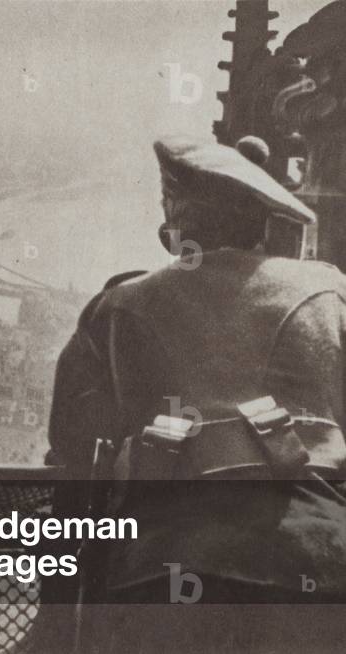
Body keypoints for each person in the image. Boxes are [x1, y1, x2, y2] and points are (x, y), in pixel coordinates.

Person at [38, 135, 346, 653]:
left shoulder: (117, 308)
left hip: (164, 569)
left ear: (176, 228)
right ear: (262, 223)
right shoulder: (331, 295)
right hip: (316, 560)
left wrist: (57, 618)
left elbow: (74, 468)